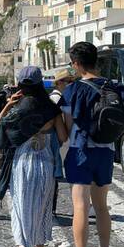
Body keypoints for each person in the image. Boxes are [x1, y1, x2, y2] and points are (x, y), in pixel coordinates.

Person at [59, 42, 124, 247]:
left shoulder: (73, 90)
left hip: (80, 151)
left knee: (81, 207)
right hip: (106, 152)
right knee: (102, 207)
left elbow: (68, 125)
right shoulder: (117, 87)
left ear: (76, 63)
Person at [0, 67, 67, 247]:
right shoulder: (51, 108)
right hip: (44, 162)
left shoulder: (18, 107)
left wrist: (9, 103)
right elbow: (62, 137)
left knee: (19, 207)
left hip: (21, 163)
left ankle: (21, 246)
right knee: (42, 209)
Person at [49, 68, 75, 215]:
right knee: (55, 175)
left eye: (72, 81)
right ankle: (51, 207)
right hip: (56, 141)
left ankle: (51, 207)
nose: (71, 83)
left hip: (58, 140)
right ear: (59, 83)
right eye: (68, 81)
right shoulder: (57, 98)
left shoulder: (59, 97)